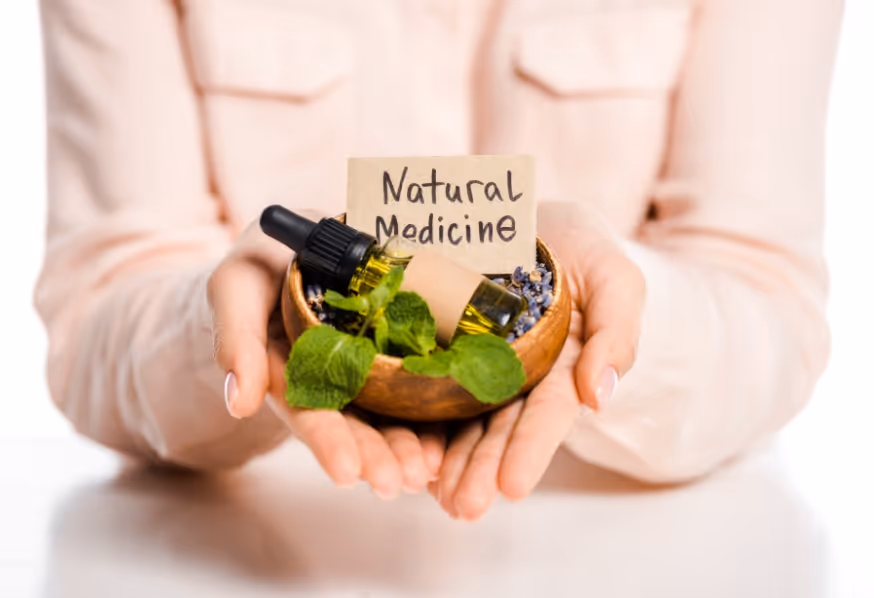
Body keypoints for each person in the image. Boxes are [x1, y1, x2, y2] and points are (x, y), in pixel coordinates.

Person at [35, 0, 842, 521]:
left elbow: (767, 297)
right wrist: (228, 324)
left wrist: (608, 324)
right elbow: (96, 314)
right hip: (266, 544)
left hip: (646, 546)